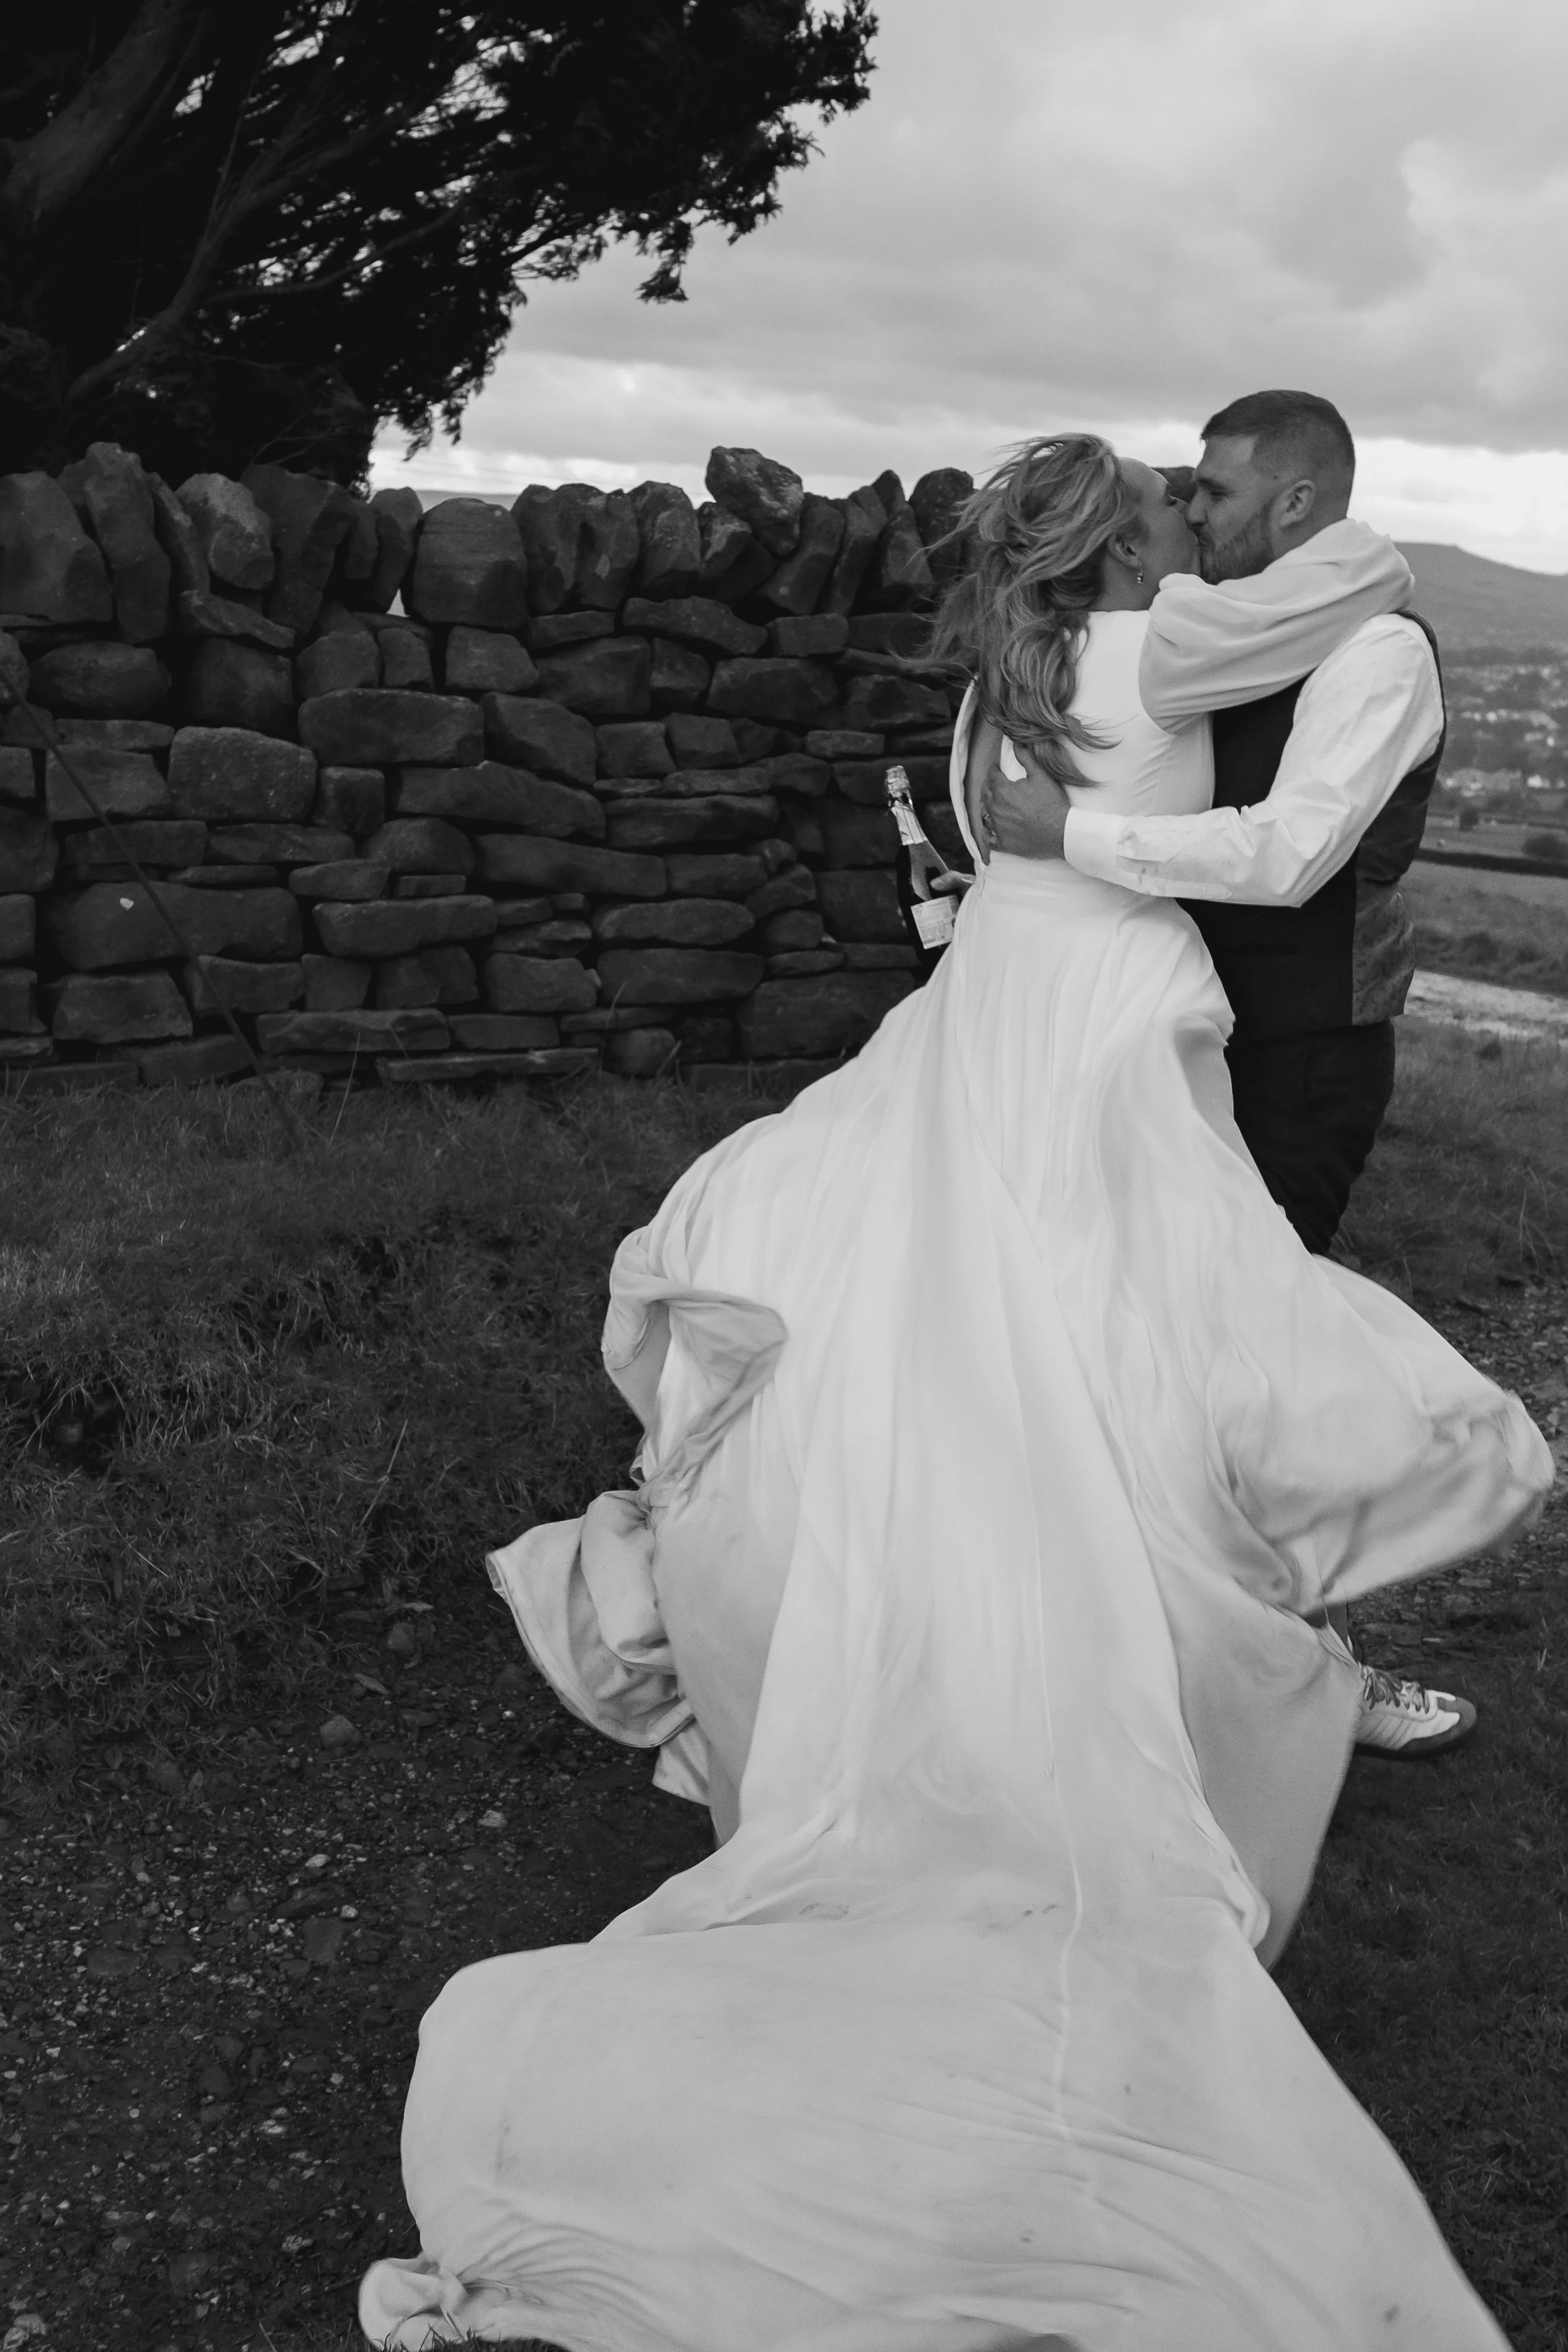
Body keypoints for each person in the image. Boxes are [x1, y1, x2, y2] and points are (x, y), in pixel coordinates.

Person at [359, 437, 1552, 2352]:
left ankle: (939, 1614)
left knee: (948, 1323)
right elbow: (1362, 563)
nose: (1192, 512)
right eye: (1171, 499)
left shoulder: (1003, 662)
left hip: (990, 994)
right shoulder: (1154, 644)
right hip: (1084, 1009)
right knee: (1107, 1335)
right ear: (1127, 539)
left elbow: (1006, 832)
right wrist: (1283, 528)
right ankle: (1097, 1647)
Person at [973, 391, 1475, 1762]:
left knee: (1246, 1378)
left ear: (1295, 505)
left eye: (1211, 492)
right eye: (1179, 495)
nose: (1189, 513)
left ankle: (1299, 1669)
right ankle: (1143, 1659)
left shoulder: (1373, 653)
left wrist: (1072, 841)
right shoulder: (1207, 637)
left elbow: (1286, 853)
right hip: (1157, 1048)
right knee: (1125, 1362)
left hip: (1300, 1056)